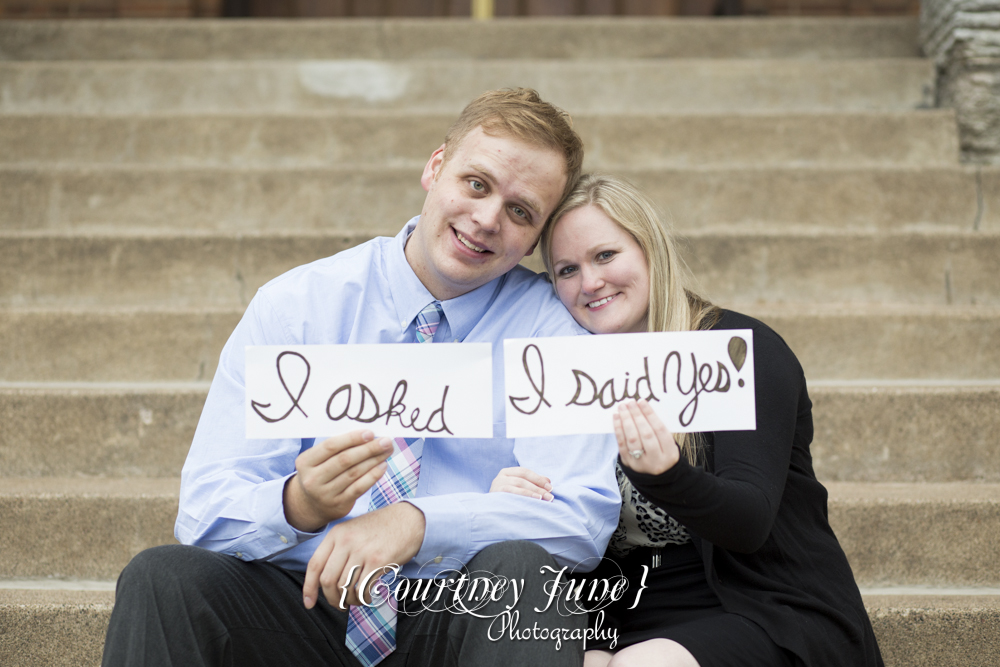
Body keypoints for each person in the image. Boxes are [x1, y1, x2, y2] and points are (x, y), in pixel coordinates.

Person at [101, 89, 621, 667]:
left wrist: (416, 523)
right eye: (477, 184)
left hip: (461, 612)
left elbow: (580, 517)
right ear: (436, 167)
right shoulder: (299, 306)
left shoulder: (552, 331)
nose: (487, 219)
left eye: (521, 211)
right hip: (307, 606)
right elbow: (202, 512)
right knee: (163, 578)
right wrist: (298, 503)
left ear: (538, 235)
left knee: (528, 576)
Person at [490, 174, 884, 667]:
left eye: (606, 256)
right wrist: (512, 499)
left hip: (761, 603)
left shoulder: (737, 349)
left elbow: (750, 522)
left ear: (651, 250)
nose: (589, 283)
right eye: (567, 269)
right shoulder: (565, 376)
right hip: (620, 611)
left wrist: (667, 476)